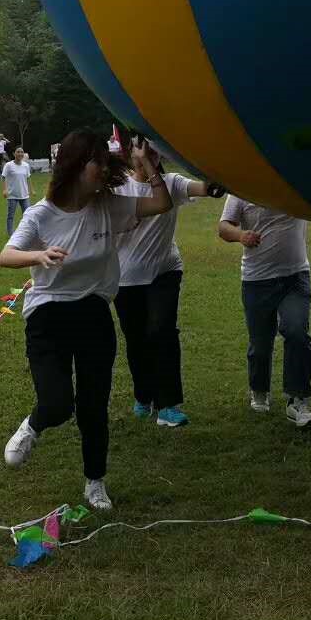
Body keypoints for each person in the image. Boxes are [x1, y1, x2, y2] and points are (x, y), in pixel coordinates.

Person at [0, 131, 175, 512]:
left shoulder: (108, 206)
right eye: (97, 160)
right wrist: (38, 255)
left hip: (93, 313)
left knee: (94, 405)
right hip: (47, 315)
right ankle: (32, 426)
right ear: (77, 166)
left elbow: (161, 203)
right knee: (58, 403)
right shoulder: (41, 213)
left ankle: (95, 483)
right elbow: (6, 255)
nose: (105, 168)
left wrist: (145, 165)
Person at [113, 138, 225, 428]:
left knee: (161, 331)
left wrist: (217, 177)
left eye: (152, 149)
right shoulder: (118, 188)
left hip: (165, 270)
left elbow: (207, 189)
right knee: (136, 338)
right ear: (130, 153)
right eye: (143, 149)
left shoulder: (172, 183)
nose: (148, 154)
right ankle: (144, 396)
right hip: (126, 277)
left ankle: (168, 405)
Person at [219, 195, 311, 427]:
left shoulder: (293, 183)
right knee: (261, 343)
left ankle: (298, 399)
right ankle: (259, 390)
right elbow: (223, 227)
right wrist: (241, 235)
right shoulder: (240, 191)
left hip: (295, 276)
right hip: (257, 280)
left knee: (297, 332)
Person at [0, 145, 35, 235]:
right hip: (12, 195)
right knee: (10, 216)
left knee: (27, 215)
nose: (20, 154)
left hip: (24, 195)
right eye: (18, 152)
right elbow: (3, 177)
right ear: (13, 153)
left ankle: (26, 233)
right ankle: (11, 234)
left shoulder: (26, 166)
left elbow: (28, 178)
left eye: (21, 152)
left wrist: (32, 190)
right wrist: (4, 190)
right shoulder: (8, 165)